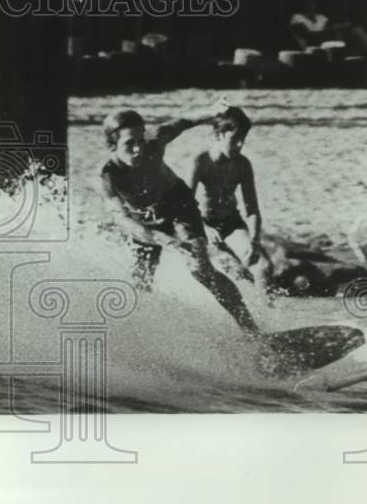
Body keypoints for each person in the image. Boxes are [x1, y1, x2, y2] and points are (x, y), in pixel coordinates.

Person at [100, 107, 260, 334]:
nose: (138, 149)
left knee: (200, 269)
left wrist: (212, 110)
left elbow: (184, 121)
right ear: (112, 146)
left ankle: (252, 331)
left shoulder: (154, 141)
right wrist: (162, 238)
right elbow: (123, 219)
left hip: (178, 207)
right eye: (129, 144)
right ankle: (140, 338)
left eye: (141, 140)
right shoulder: (108, 177)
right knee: (140, 282)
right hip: (145, 221)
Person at [190, 107, 273, 292]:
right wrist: (204, 228)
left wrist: (254, 240)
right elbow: (184, 204)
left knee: (263, 266)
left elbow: (252, 210)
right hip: (200, 225)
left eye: (243, 140)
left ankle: (268, 316)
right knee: (232, 269)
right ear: (218, 135)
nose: (239, 146)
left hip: (230, 223)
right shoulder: (200, 161)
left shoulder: (242, 164)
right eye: (234, 140)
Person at [289, 0, 367, 59]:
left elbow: (328, 33)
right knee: (342, 31)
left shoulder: (321, 17)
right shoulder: (297, 17)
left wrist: (337, 29)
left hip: (329, 42)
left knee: (357, 30)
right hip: (313, 46)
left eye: (314, 1)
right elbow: (309, 36)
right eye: (309, 1)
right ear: (303, 3)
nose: (312, 4)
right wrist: (334, 29)